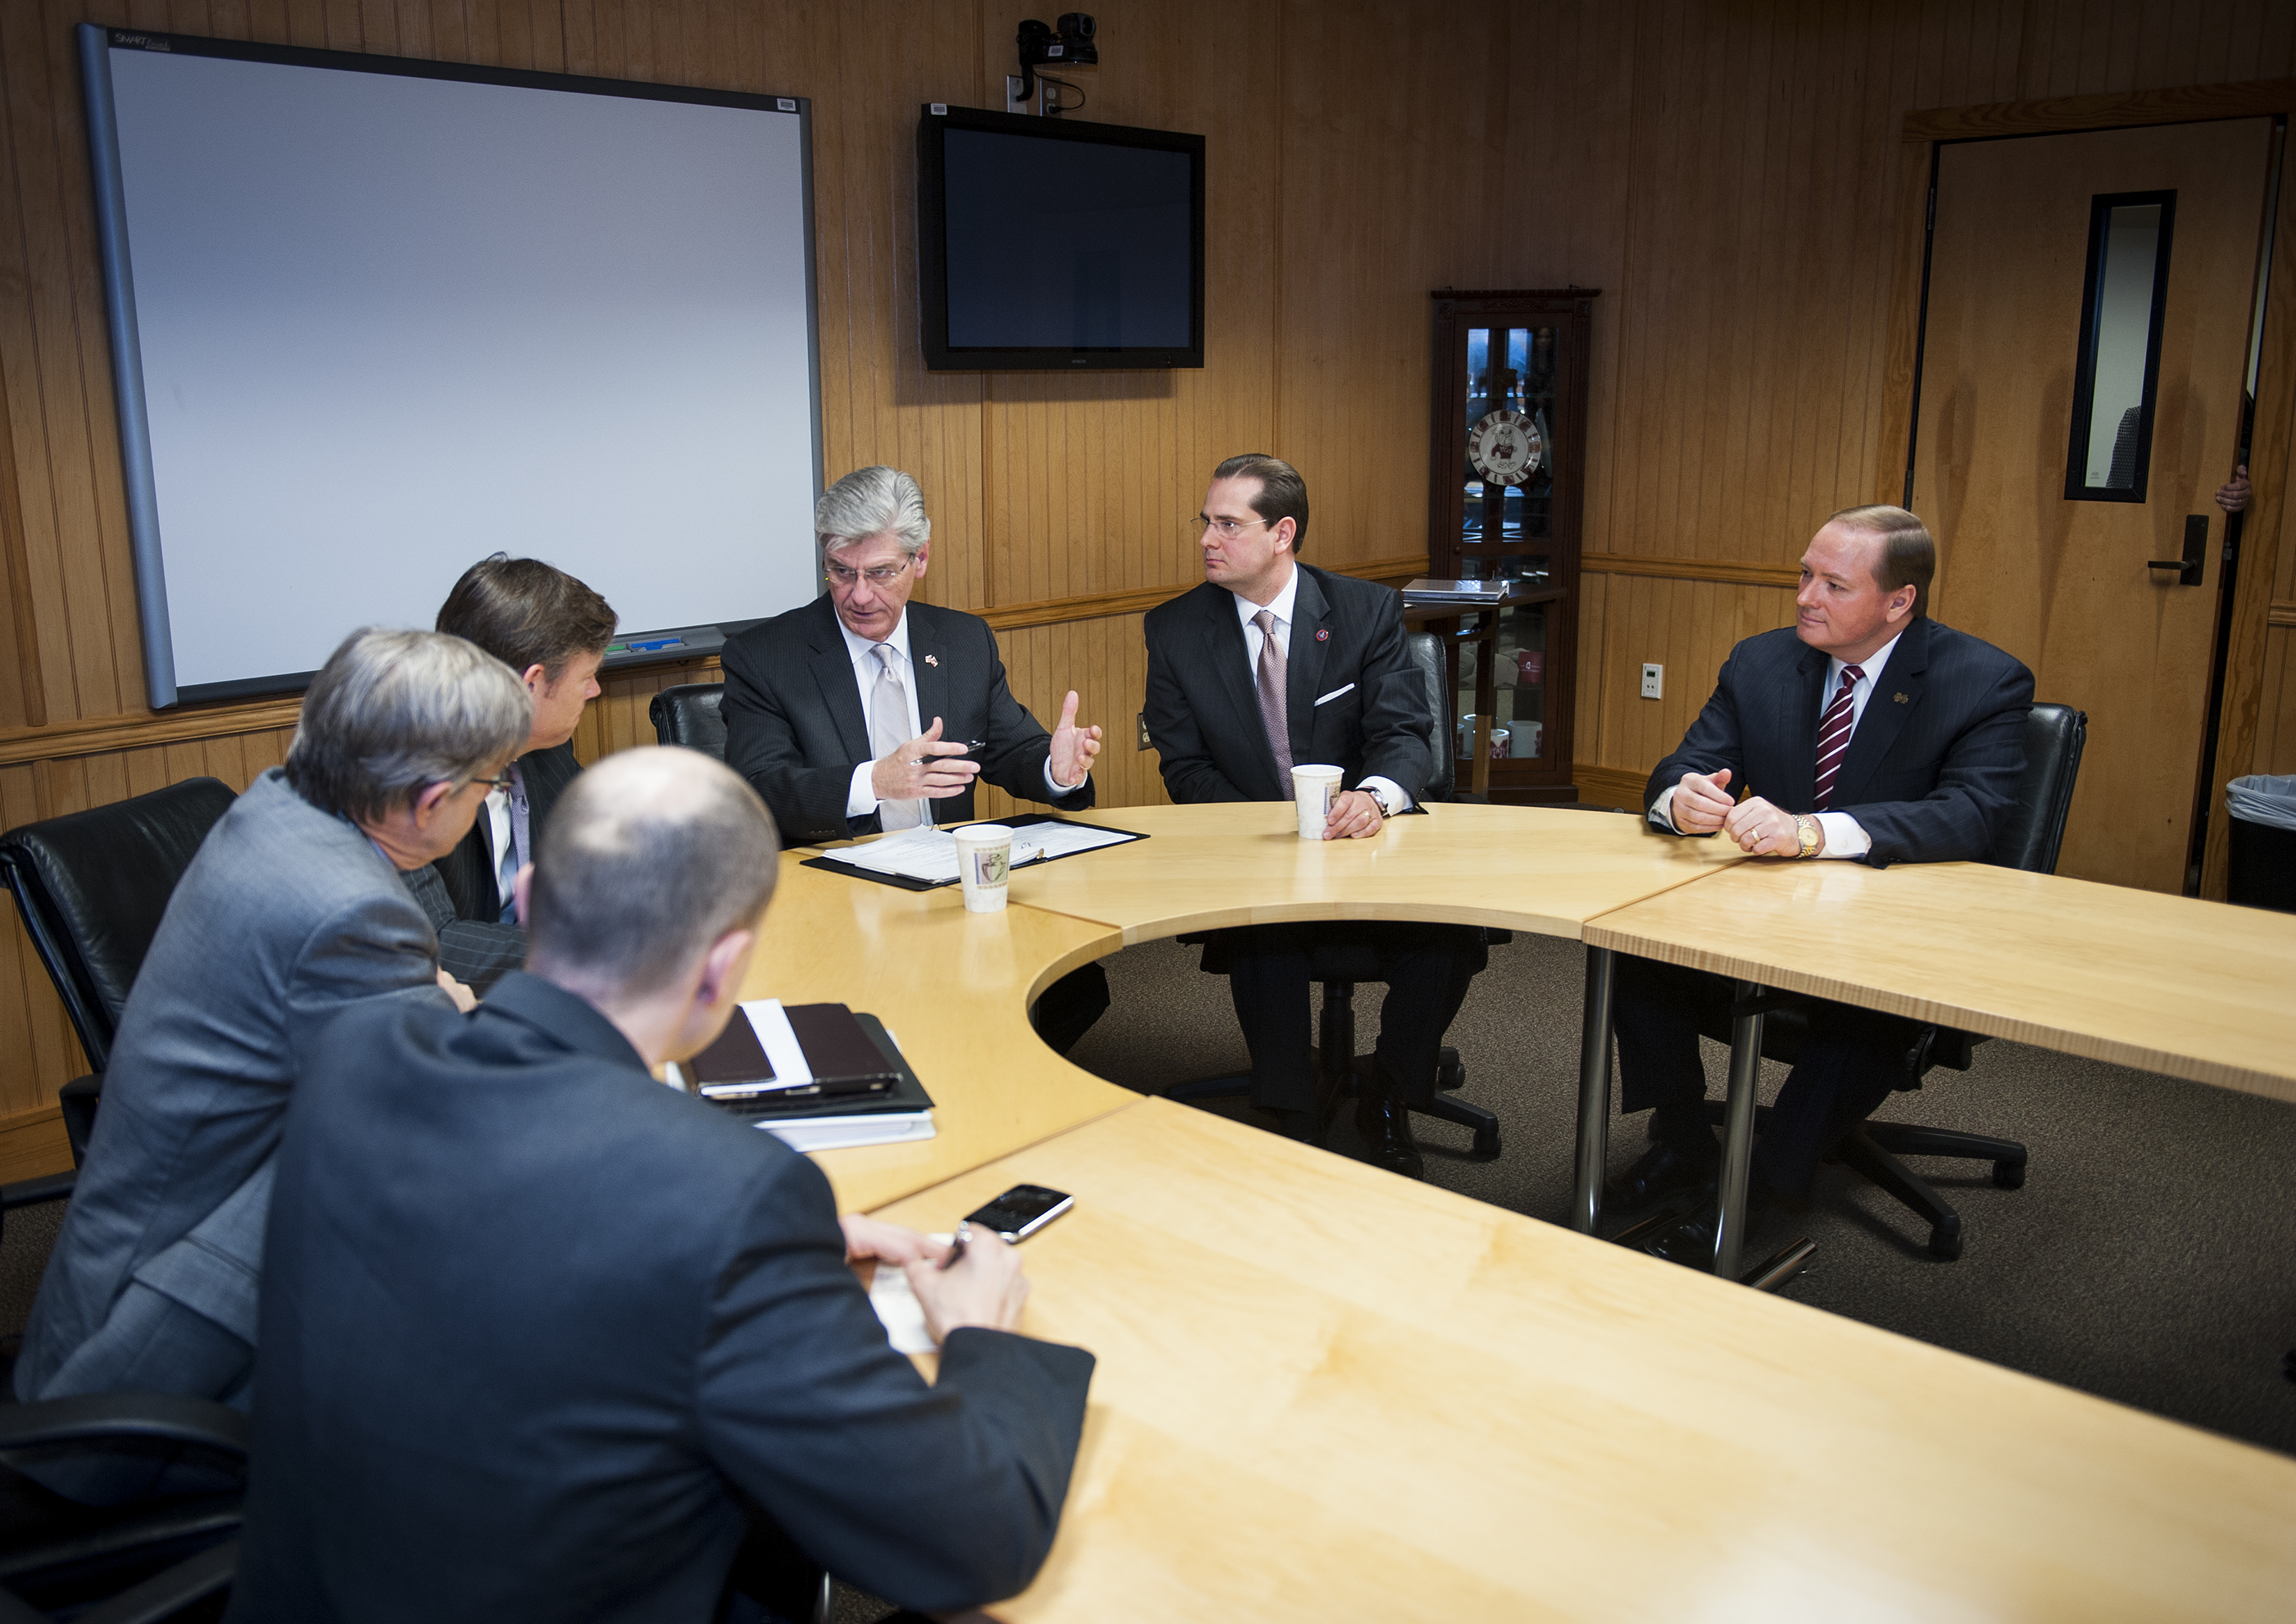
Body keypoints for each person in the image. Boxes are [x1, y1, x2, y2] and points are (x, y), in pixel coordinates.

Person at [230, 747, 1095, 1623]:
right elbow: (975, 1540)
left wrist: (775, 1252)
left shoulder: (351, 1059)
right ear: (724, 967)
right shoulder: (734, 1198)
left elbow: (511, 1230)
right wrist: (982, 1336)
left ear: (527, 903)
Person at [15, 629, 532, 1499]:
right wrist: (449, 1004)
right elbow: (438, 1108)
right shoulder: (351, 908)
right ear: (433, 798)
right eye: (492, 784)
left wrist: (437, 998)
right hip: (160, 1358)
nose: (490, 801)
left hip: (171, 1238)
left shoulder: (281, 806)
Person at [1613, 504, 2034, 1263]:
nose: (1806, 596)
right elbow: (1679, 767)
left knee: (1863, 1006)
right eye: (1804, 575)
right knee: (1631, 944)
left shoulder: (1982, 681)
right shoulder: (1761, 661)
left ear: (1898, 601)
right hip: (1768, 918)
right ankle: (1679, 1140)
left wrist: (1814, 832)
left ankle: (1757, 1189)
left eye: (1833, 585)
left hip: (1899, 931)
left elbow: (1970, 814)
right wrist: (1681, 799)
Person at [1141, 453, 1486, 1177]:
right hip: (1254, 852)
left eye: (1228, 524)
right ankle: (1288, 1112)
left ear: (1282, 533)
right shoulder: (1173, 630)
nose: (1207, 538)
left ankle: (1389, 1094)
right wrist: (1270, 838)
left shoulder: (1362, 611)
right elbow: (1185, 768)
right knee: (1265, 937)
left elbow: (1401, 734)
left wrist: (1375, 797)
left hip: (1367, 849)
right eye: (1205, 521)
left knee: (1451, 932)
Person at [722, 464, 1111, 1052]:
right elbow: (758, 789)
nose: (858, 595)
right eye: (840, 572)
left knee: (1075, 986)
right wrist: (873, 782)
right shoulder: (765, 658)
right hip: (836, 896)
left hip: (953, 888)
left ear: (920, 560)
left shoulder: (960, 640)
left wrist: (1055, 769)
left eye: (880, 573)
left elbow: (1008, 750)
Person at [402, 554, 617, 991]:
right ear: (532, 684)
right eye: (588, 676)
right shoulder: (408, 771)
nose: (595, 691)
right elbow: (436, 943)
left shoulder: (543, 744)